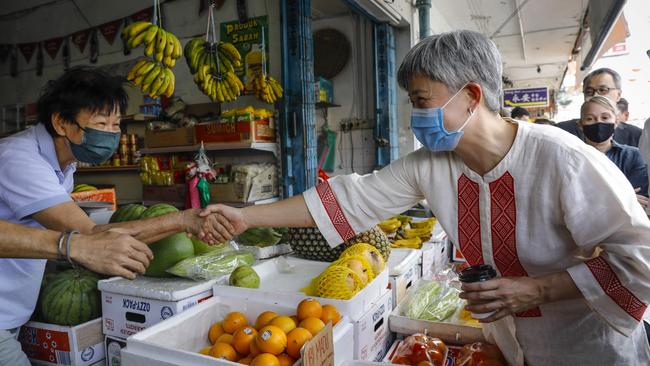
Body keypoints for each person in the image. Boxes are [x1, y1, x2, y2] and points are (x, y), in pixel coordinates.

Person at [200, 30, 650, 365]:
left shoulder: (561, 158)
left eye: (421, 100)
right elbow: (350, 200)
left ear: (471, 96)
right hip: (514, 349)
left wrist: (536, 290)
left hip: (588, 349)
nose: (416, 116)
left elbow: (641, 256)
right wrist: (245, 217)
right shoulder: (433, 162)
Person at [0, 67, 231, 365]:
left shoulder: (63, 163)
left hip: (13, 313)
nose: (111, 134)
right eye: (100, 123)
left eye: (115, 124)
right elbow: (89, 236)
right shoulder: (19, 159)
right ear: (61, 122)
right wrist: (182, 220)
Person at [578, 96, 648, 208]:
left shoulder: (633, 156)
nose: (598, 123)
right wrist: (623, 198)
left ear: (616, 122)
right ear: (580, 125)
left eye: (605, 117)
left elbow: (640, 203)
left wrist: (595, 199)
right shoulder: (572, 158)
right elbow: (572, 202)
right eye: (590, 119)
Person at [556, 67, 623, 140]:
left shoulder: (635, 136)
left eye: (603, 90)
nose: (595, 95)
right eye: (589, 92)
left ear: (618, 95)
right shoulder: (562, 132)